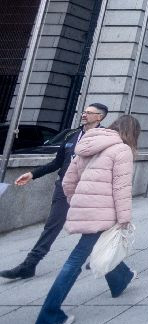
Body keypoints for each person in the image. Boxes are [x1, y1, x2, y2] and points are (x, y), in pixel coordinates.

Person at [33, 114, 140, 324]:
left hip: (86, 206)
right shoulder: (122, 150)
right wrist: (124, 218)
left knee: (101, 245)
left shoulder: (86, 144)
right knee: (76, 260)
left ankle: (121, 278)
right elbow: (121, 188)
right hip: (104, 210)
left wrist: (78, 201)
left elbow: (68, 181)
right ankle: (49, 315)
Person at [1, 103, 109, 281]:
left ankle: (106, 259)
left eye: (89, 112)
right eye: (84, 111)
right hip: (65, 187)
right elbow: (56, 163)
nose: (84, 114)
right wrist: (33, 174)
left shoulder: (105, 137)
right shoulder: (71, 135)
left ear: (100, 117)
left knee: (96, 225)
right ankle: (29, 264)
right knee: (52, 226)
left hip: (89, 189)